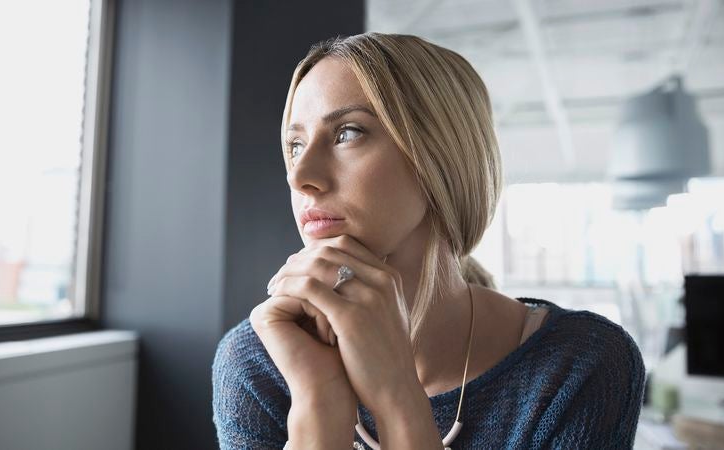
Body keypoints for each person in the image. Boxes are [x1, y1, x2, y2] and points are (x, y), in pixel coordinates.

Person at [212, 32, 645, 449]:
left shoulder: (581, 364)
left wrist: (398, 397)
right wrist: (318, 400)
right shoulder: (258, 362)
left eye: (347, 133)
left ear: (440, 155)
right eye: (294, 145)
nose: (299, 176)